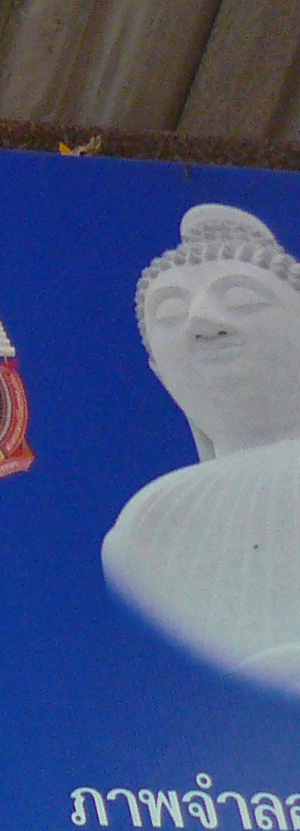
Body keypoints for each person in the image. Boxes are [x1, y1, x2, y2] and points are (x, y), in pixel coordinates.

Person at [104, 203, 300, 691]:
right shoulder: (147, 523)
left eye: (244, 300)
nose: (202, 321)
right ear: (157, 370)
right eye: (169, 313)